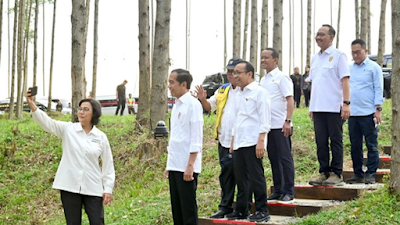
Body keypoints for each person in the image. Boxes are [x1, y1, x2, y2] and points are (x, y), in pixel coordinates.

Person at [25, 91, 115, 225]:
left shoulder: (100, 137)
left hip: (93, 187)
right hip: (69, 187)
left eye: (86, 109)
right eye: (80, 109)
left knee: (97, 221)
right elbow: (48, 123)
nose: (81, 112)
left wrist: (108, 188)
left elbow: (108, 164)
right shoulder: (68, 129)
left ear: (94, 114)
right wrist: (32, 104)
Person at [195, 57, 243, 219]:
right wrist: (202, 99)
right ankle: (226, 206)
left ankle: (243, 207)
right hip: (224, 139)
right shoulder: (223, 90)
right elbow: (210, 106)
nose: (230, 74)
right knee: (226, 175)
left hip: (242, 141)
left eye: (234, 71)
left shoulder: (248, 90)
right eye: (228, 71)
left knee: (243, 175)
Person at [226, 61, 271, 222]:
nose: (235, 76)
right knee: (241, 178)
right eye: (234, 73)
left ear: (249, 74)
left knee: (256, 177)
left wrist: (261, 141)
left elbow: (265, 119)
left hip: (253, 141)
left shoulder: (259, 92)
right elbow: (237, 120)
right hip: (239, 142)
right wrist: (233, 141)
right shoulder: (239, 93)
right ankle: (242, 210)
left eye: (239, 72)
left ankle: (262, 210)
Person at [308, 24, 350, 186]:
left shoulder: (339, 56)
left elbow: (345, 80)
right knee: (321, 141)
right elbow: (314, 84)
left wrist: (346, 103)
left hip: (334, 107)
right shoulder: (315, 58)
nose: (318, 37)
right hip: (318, 107)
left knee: (336, 140)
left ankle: (336, 173)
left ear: (331, 37)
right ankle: (323, 171)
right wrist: (311, 107)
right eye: (317, 34)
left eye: (322, 34)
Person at [164, 69, 203, 225]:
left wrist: (190, 165)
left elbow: (196, 137)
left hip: (187, 166)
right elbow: (175, 138)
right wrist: (169, 164)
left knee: (188, 210)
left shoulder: (193, 105)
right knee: (177, 209)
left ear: (184, 84)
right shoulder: (176, 106)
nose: (169, 86)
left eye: (172, 82)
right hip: (175, 164)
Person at [345, 39, 384, 184]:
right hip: (353, 113)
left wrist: (378, 109)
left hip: (368, 113)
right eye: (353, 53)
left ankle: (371, 173)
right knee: (355, 145)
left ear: (365, 51)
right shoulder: (349, 68)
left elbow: (378, 89)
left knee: (371, 144)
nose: (355, 55)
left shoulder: (374, 68)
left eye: (358, 52)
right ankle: (358, 173)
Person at [260, 48, 295, 202]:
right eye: (261, 58)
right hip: (268, 126)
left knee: (285, 158)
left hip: (281, 124)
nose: (263, 60)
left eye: (266, 57)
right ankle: (278, 189)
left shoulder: (282, 78)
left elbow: (289, 99)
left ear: (275, 60)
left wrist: (288, 120)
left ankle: (289, 190)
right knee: (273, 158)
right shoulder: (263, 80)